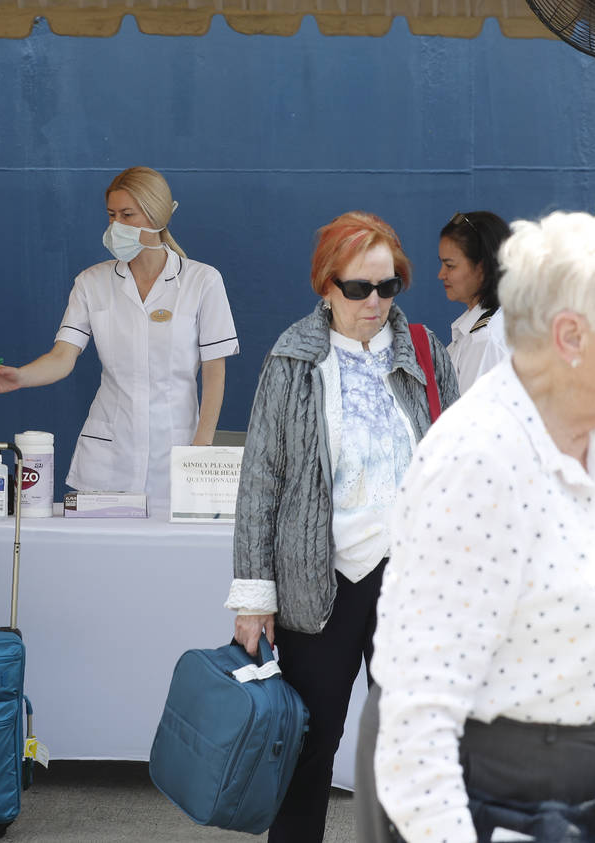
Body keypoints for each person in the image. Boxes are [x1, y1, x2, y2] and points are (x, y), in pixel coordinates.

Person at [368, 212, 595, 842]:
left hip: (587, 802)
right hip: (501, 808)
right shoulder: (480, 460)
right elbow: (415, 724)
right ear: (571, 336)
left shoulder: (587, 436)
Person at [225, 211, 458, 842]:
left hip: (410, 582)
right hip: (318, 583)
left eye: (388, 287)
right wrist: (253, 598)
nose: (375, 302)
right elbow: (261, 483)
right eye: (359, 288)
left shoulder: (428, 355)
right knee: (309, 747)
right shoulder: (293, 359)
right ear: (326, 286)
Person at [0, 167, 238, 510]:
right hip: (107, 457)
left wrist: (199, 450)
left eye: (127, 215)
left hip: (176, 452)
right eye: (111, 215)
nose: (116, 226)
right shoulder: (91, 283)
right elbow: (62, 356)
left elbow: (215, 374)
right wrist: (21, 376)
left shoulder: (202, 281)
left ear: (156, 214)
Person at [438, 210, 513, 392]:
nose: (441, 275)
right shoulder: (496, 324)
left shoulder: (485, 340)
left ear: (482, 268)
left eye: (450, 266)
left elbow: (472, 418)